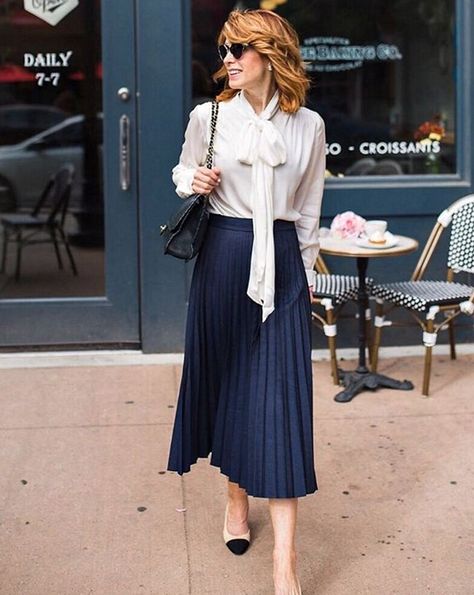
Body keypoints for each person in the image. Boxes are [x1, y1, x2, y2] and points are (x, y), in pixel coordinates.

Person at [167, 9, 326, 594]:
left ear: (270, 54)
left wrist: (304, 269)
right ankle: (236, 499)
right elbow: (182, 170)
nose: (228, 59)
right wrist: (195, 181)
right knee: (229, 382)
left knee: (283, 398)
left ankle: (285, 561)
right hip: (225, 259)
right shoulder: (208, 116)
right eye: (225, 49)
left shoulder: (308, 125)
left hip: (283, 263)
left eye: (239, 49)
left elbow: (309, 205)